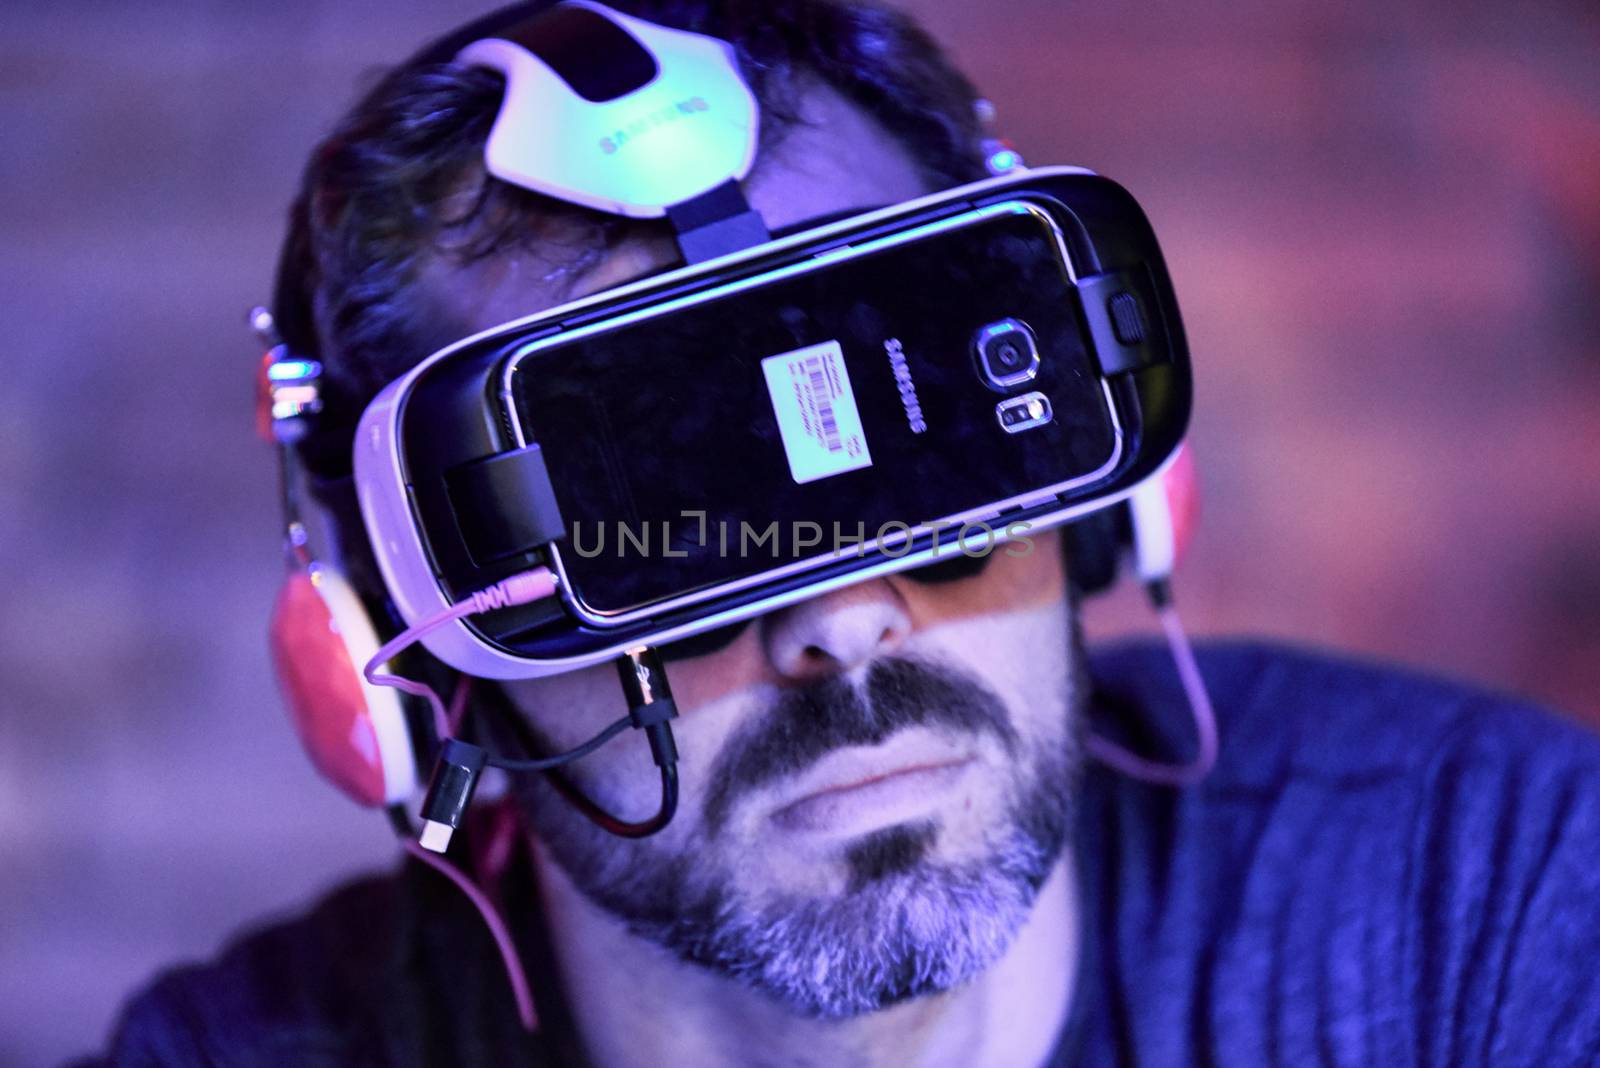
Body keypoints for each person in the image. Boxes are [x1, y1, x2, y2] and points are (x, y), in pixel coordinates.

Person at [87, 1, 1600, 1065]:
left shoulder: (1484, 909)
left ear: (1108, 496)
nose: (842, 618)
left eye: (919, 446)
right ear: (398, 670)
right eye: (662, 523)